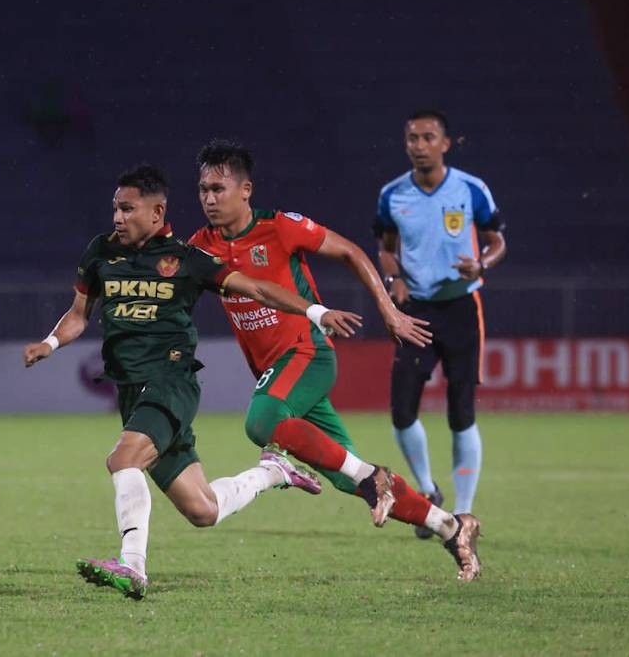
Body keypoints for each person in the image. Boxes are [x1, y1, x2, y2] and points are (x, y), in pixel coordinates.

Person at [23, 164, 365, 600]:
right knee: (202, 509)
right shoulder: (100, 254)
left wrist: (316, 312)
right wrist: (50, 343)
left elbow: (256, 289)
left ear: (156, 211)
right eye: (115, 208)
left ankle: (132, 566)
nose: (117, 218)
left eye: (127, 209)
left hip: (170, 382)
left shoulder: (187, 260)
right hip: (132, 392)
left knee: (123, 459)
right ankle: (272, 473)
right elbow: (78, 315)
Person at [189, 139, 482, 581]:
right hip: (280, 375)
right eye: (203, 190)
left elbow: (351, 251)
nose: (209, 199)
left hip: (307, 353)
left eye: (218, 188)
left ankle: (373, 477)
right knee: (349, 474)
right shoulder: (201, 248)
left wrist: (388, 310)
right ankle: (451, 527)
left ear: (245, 190)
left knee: (260, 421)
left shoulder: (281, 227)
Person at [374, 109, 507, 538]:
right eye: (412, 137)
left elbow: (497, 240)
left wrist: (482, 264)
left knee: (461, 414)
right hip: (417, 313)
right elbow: (387, 248)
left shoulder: (471, 189)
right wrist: (393, 280)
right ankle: (429, 489)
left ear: (445, 143)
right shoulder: (392, 195)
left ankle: (463, 513)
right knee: (401, 412)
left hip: (462, 310)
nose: (419, 145)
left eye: (428, 137)